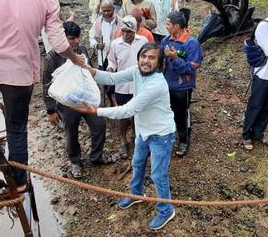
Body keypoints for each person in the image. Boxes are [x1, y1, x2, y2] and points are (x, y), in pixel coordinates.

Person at [0, 0, 85, 191]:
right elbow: (58, 42)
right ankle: (20, 181)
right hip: (17, 73)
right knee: (15, 126)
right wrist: (74, 58)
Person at [71, 42, 176, 230]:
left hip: (161, 134)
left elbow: (128, 109)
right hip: (143, 130)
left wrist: (94, 111)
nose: (146, 61)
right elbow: (111, 77)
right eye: (143, 56)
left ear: (160, 63)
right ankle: (137, 194)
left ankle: (166, 210)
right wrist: (88, 69)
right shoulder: (137, 71)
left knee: (158, 174)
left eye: (152, 58)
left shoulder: (157, 85)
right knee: (137, 164)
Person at [43, 22, 113, 178]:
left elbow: (88, 72)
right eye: (71, 38)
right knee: (71, 132)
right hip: (67, 103)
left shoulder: (81, 50)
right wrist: (50, 110)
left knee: (99, 125)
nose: (75, 42)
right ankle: (75, 161)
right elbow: (46, 85)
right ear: (63, 39)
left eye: (78, 38)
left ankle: (96, 156)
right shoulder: (51, 58)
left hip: (85, 98)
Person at [242, 0, 268, 150]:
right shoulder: (265, 26)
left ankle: (258, 132)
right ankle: (246, 135)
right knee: (256, 105)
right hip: (264, 75)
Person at [160, 11, 203, 156]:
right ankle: (169, 135)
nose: (166, 27)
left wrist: (175, 58)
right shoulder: (166, 40)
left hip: (182, 87)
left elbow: (192, 68)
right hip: (166, 85)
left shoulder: (192, 43)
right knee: (167, 111)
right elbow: (160, 59)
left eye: (168, 24)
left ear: (177, 26)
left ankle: (184, 140)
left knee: (181, 114)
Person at [107, 16, 147, 157]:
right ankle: (123, 142)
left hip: (139, 86)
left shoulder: (143, 41)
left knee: (138, 113)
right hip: (122, 87)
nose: (125, 34)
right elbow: (112, 62)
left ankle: (137, 139)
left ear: (134, 31)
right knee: (123, 115)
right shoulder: (115, 44)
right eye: (123, 31)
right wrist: (110, 70)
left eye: (128, 32)